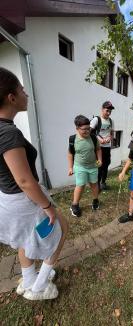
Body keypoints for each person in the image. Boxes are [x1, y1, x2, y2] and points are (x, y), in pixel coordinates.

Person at [0, 67, 68, 300]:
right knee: (60, 230)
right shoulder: (8, 133)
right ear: (11, 98)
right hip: (24, 199)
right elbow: (24, 180)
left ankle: (28, 280)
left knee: (25, 240)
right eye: (22, 90)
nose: (25, 94)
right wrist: (47, 207)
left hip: (7, 198)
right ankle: (39, 287)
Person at [68, 115, 102, 217]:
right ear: (77, 128)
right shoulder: (73, 139)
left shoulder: (93, 137)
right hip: (80, 166)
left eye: (88, 128)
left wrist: (100, 160)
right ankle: (74, 205)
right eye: (84, 129)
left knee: (94, 184)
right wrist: (70, 167)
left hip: (93, 166)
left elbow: (98, 149)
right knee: (80, 185)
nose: (87, 131)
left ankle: (95, 200)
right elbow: (70, 154)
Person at [90, 101, 114, 191]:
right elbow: (90, 132)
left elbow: (111, 133)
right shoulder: (96, 119)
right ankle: (97, 185)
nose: (108, 113)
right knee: (99, 166)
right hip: (98, 148)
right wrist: (98, 139)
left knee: (106, 165)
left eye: (110, 111)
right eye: (107, 110)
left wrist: (109, 138)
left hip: (107, 147)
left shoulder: (111, 121)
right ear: (102, 109)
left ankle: (103, 183)